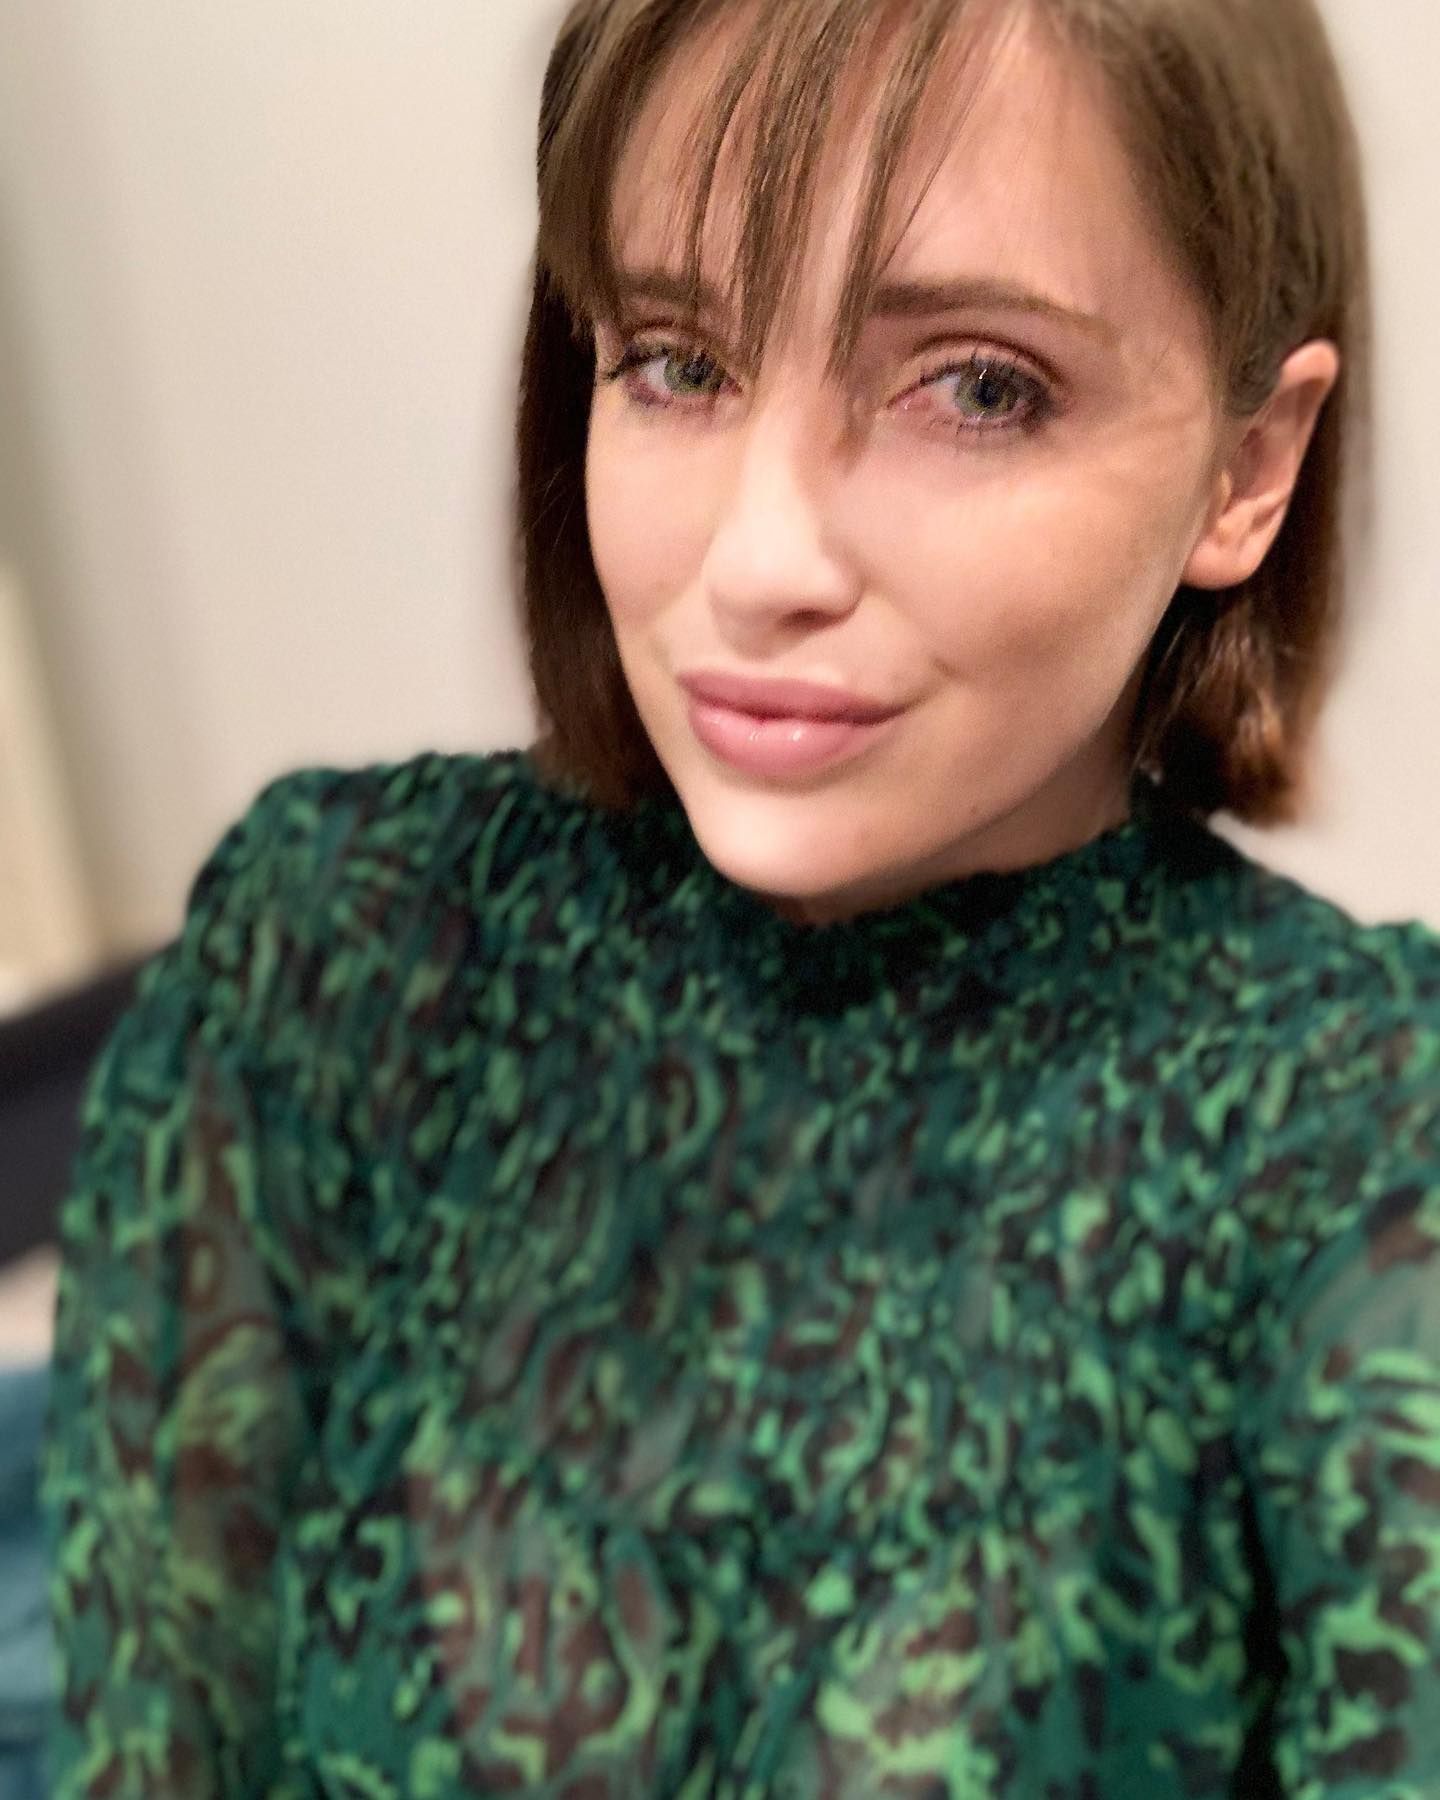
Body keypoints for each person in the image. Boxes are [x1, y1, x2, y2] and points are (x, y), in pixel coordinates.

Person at [39, 0, 1440, 1793]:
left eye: (978, 388)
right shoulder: (340, 949)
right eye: (679, 363)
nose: (759, 559)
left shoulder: (1358, 1140)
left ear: (1249, 467)